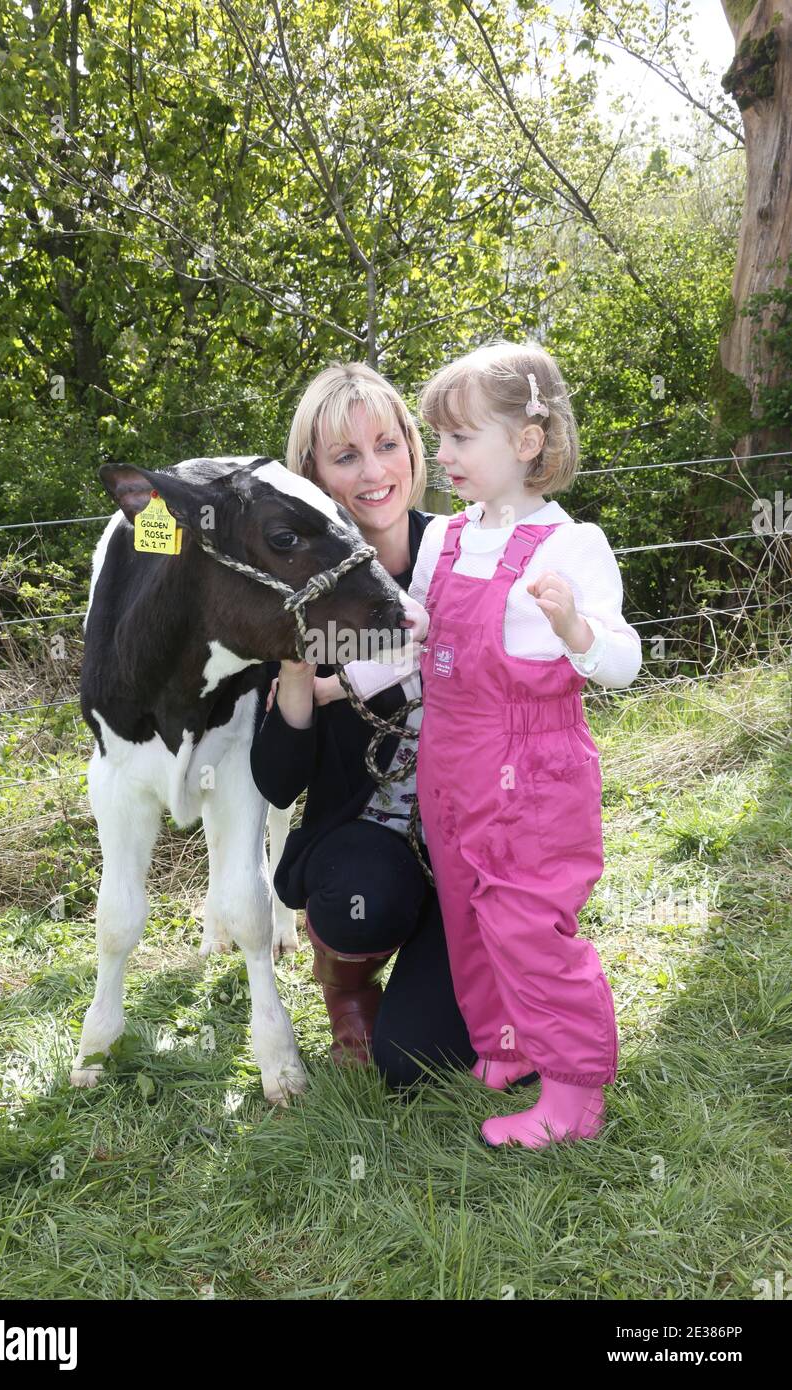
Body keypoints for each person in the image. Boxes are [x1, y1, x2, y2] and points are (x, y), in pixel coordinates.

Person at [333, 340, 642, 1147]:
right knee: (470, 917)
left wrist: (573, 624)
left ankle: (574, 1092)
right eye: (439, 438)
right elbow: (420, 650)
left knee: (527, 927)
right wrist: (338, 682)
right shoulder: (445, 540)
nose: (443, 456)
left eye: (461, 438)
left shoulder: (570, 547)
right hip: (451, 768)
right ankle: (507, 1047)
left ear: (527, 443)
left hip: (532, 776)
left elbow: (622, 661)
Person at [250, 362, 537, 1094]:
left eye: (387, 445)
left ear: (414, 450)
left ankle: (475, 950)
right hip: (367, 835)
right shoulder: (295, 583)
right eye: (346, 456)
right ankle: (346, 979)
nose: (374, 472)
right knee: (365, 903)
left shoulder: (471, 552)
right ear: (312, 474)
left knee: (416, 1061)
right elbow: (279, 781)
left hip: (472, 841)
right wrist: (294, 663)